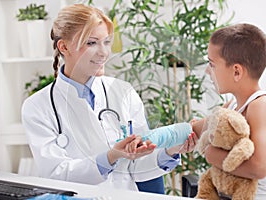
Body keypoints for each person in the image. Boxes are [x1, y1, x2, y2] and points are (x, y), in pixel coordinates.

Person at [21, 4, 197, 192]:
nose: (104, 52)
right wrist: (111, 156)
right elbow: (55, 174)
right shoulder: (37, 106)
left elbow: (139, 166)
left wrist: (171, 151)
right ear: (64, 46)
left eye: (106, 42)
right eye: (91, 43)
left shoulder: (123, 92)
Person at [191, 23, 266, 200]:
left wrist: (211, 154)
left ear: (236, 71)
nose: (207, 71)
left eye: (212, 64)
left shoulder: (261, 107)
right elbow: (197, 128)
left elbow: (259, 167)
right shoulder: (230, 107)